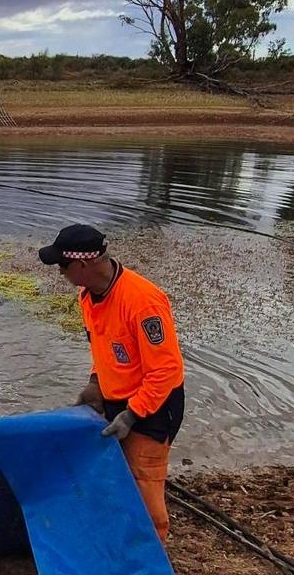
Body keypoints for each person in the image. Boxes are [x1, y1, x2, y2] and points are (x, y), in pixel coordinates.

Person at [38, 224, 185, 543]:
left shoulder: (143, 302)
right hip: (115, 398)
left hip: (155, 405)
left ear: (83, 265)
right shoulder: (88, 296)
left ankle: (152, 554)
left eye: (62, 266)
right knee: (114, 475)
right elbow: (105, 347)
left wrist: (132, 416)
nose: (60, 273)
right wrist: (96, 384)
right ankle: (115, 539)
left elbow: (166, 370)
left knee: (145, 485)